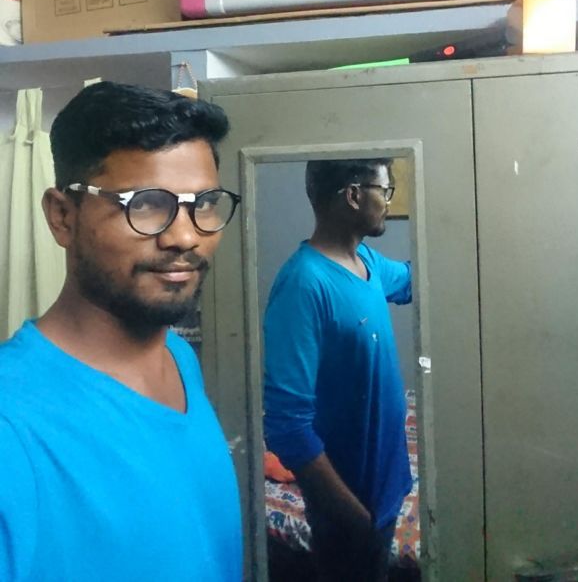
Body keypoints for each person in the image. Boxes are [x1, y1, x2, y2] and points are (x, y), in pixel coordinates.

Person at [0, 81, 243, 582]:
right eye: (146, 203)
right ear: (62, 217)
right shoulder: (13, 428)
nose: (185, 236)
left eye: (204, 203)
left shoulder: (177, 358)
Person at [263, 158, 412, 582]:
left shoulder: (366, 261)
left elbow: (413, 279)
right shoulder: (304, 284)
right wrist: (353, 517)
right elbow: (288, 427)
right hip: (351, 510)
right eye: (384, 191)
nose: (387, 202)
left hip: (386, 491)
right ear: (353, 195)